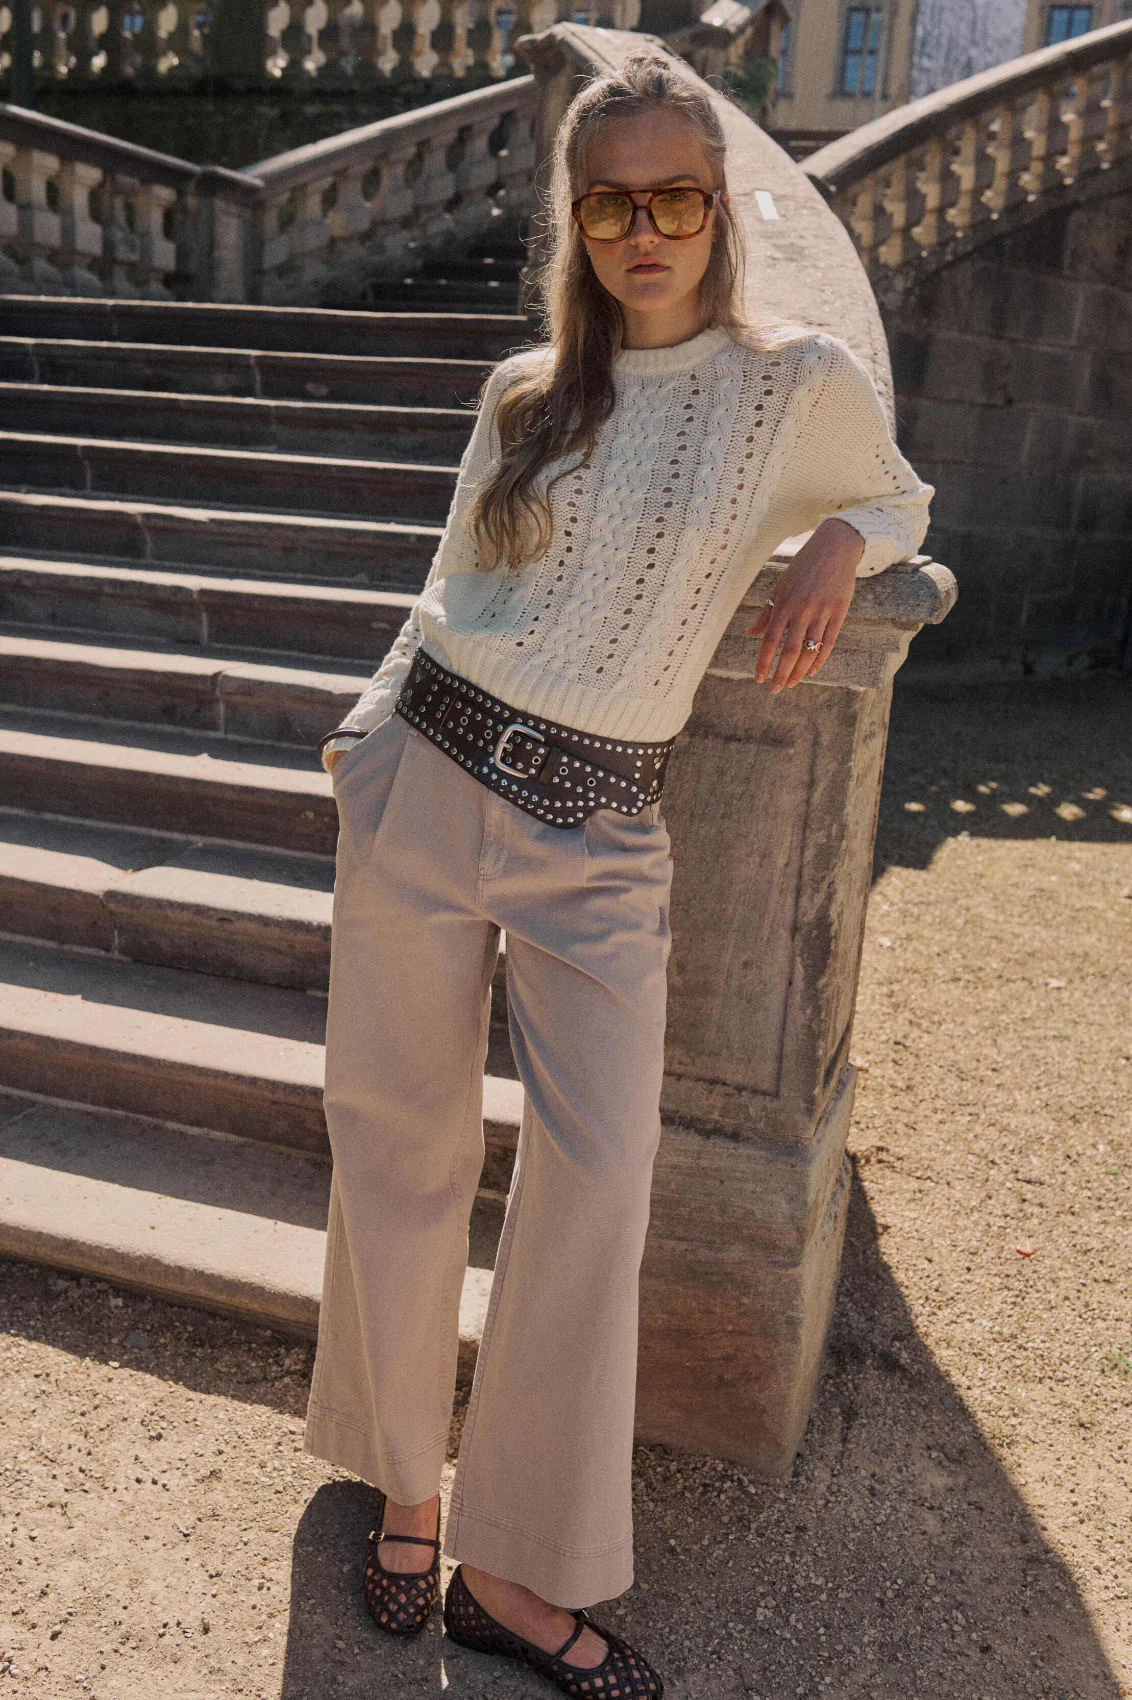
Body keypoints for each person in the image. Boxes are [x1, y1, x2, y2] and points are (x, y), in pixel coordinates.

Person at [306, 49, 932, 1700]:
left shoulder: (789, 384)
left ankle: (515, 1566)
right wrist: (366, 738)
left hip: (599, 833)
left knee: (598, 1183)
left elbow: (901, 493)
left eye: (675, 198)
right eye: (609, 204)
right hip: (424, 776)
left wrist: (839, 538)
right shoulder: (527, 391)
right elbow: (447, 577)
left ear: (718, 207)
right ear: (574, 221)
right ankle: (408, 1486)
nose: (644, 230)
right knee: (399, 1141)